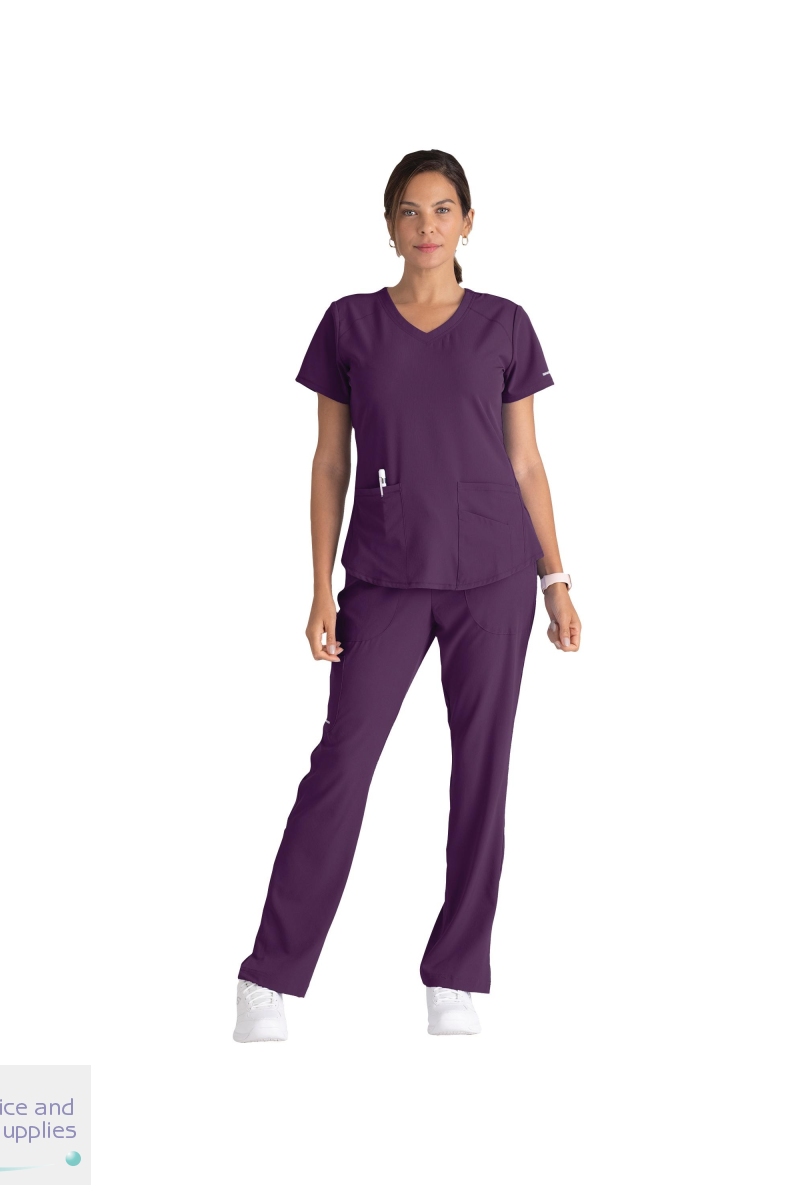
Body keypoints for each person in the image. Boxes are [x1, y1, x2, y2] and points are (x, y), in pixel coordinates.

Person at [234, 149, 581, 1042]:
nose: (427, 226)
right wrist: (320, 587)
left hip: (494, 578)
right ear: (389, 226)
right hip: (385, 576)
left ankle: (456, 977)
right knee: (340, 768)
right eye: (410, 211)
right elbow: (330, 462)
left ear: (469, 222)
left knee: (482, 774)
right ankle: (270, 978)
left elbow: (526, 462)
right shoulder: (349, 324)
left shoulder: (506, 325)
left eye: (443, 209)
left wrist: (556, 579)